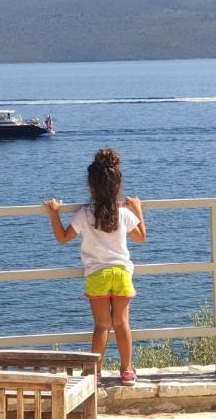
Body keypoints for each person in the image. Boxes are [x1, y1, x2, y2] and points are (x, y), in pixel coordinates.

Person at [43, 148, 146, 386]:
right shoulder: (123, 213)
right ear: (117, 187)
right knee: (121, 324)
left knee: (102, 326)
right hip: (121, 273)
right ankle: (127, 370)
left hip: (97, 275)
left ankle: (94, 373)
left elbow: (62, 237)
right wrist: (138, 210)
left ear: (91, 187)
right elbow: (141, 237)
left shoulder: (85, 214)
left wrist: (54, 212)